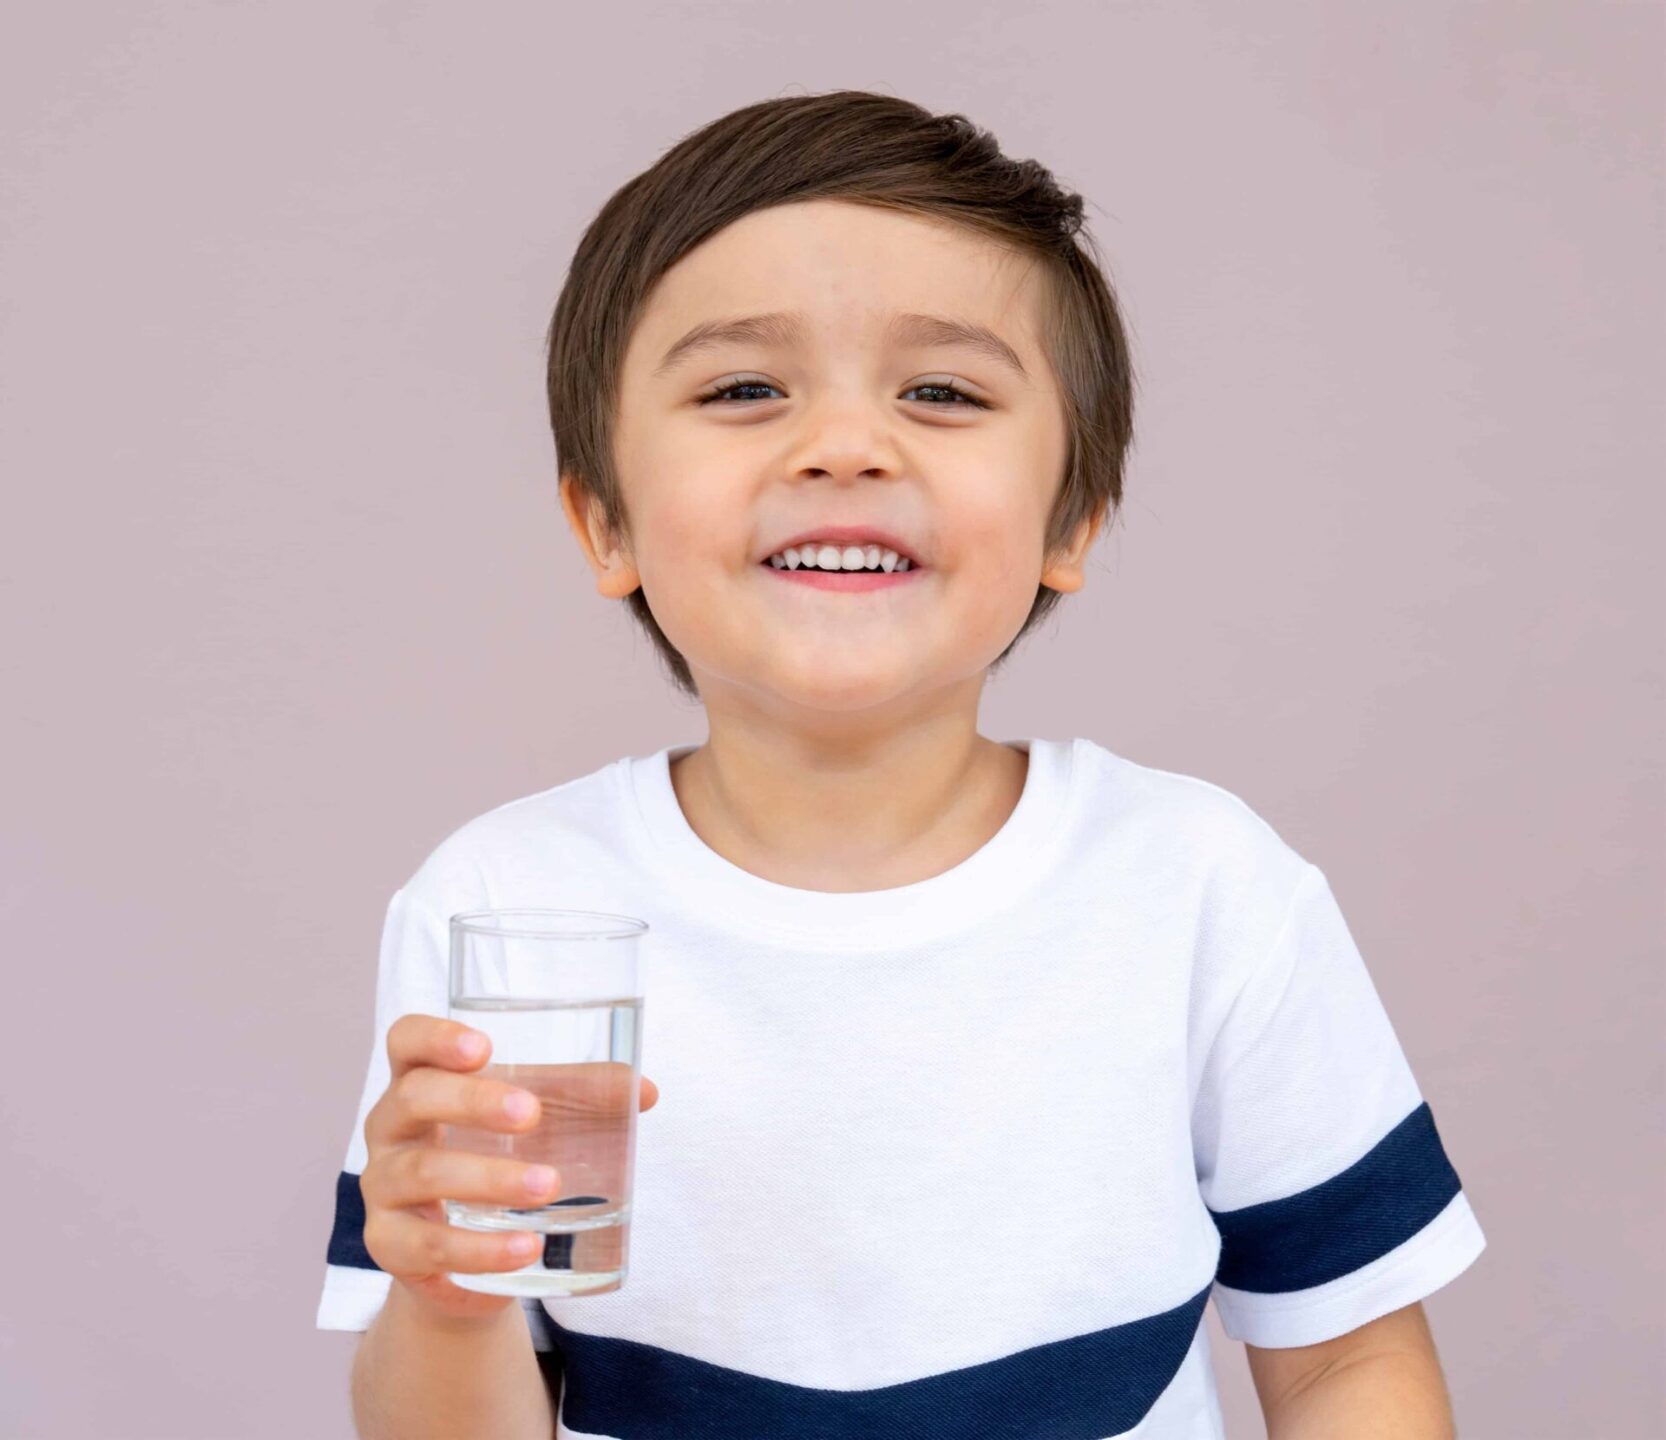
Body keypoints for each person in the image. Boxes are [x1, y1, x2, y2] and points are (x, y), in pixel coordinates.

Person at [315, 88, 1486, 1440]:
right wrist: (452, 1293)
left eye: (941, 391)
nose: (844, 445)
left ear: (1071, 519)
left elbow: (1346, 1362)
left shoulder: (1199, 889)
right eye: (743, 388)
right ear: (603, 523)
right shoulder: (504, 905)